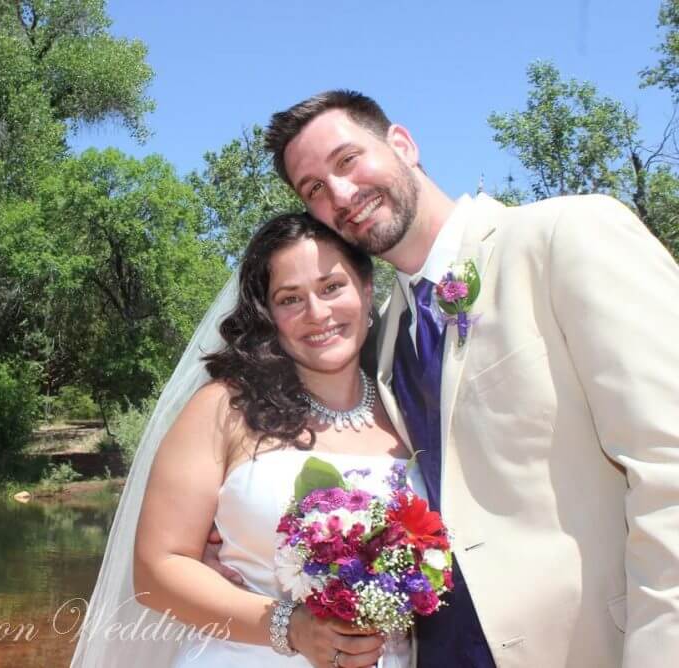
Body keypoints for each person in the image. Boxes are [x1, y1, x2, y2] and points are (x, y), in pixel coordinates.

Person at [248, 90, 679, 667]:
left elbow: (667, 465)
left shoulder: (566, 237)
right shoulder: (380, 340)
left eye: (347, 161)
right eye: (314, 190)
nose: (341, 195)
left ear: (402, 143)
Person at [71, 213, 421, 668]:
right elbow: (157, 569)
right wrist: (291, 628)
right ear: (268, 314)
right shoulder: (223, 409)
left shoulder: (410, 411)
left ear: (367, 289)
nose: (317, 313)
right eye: (290, 298)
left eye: (332, 287)